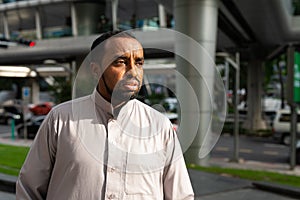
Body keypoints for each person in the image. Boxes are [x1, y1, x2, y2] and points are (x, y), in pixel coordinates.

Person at [16, 30, 194, 199]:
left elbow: (180, 196)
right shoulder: (60, 120)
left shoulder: (160, 126)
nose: (133, 71)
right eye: (121, 62)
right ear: (95, 70)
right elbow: (28, 189)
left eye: (138, 62)